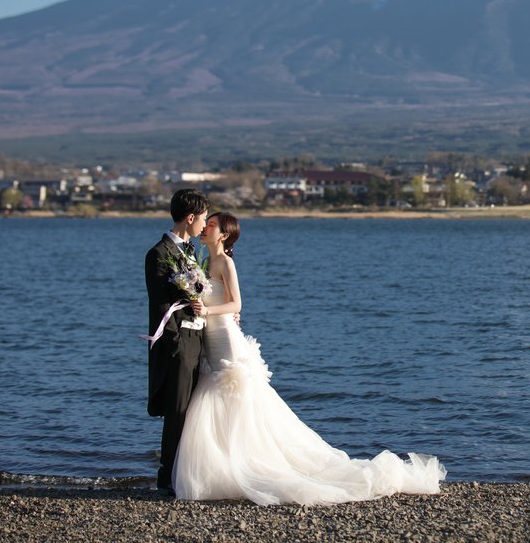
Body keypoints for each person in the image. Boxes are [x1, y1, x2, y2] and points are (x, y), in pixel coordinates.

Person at [171, 211, 445, 505]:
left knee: (237, 398)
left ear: (223, 234)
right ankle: (222, 464)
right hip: (210, 338)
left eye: (211, 225)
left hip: (225, 339)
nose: (206, 228)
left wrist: (208, 311)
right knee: (218, 399)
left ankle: (248, 462)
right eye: (207, 223)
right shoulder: (203, 262)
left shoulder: (226, 262)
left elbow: (237, 302)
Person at [144, 189, 212, 497]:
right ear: (190, 217)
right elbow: (161, 307)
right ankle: (167, 478)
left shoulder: (191, 252)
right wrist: (176, 346)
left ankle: (185, 473)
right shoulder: (158, 254)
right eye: (203, 218)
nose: (205, 225)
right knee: (177, 411)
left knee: (194, 411)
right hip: (179, 344)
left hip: (198, 339)